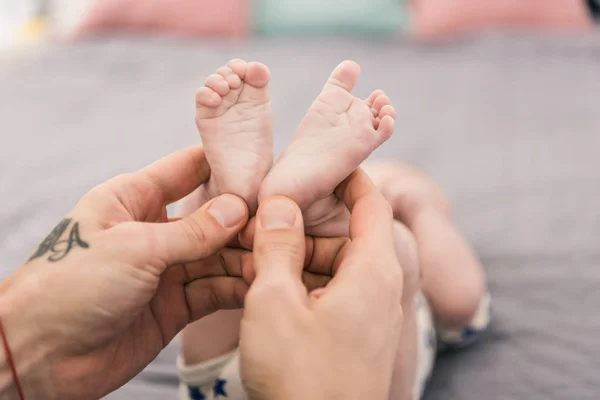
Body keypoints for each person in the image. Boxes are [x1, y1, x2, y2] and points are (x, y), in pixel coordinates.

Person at [178, 59, 490, 399]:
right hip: (364, 375)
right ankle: (373, 234)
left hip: (223, 382)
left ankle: (228, 205)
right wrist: (419, 206)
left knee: (218, 273)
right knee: (457, 303)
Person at [0, 143, 403, 399]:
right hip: (356, 368)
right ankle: (278, 206)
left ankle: (234, 199)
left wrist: (20, 348)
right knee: (399, 249)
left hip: (212, 386)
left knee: (216, 271)